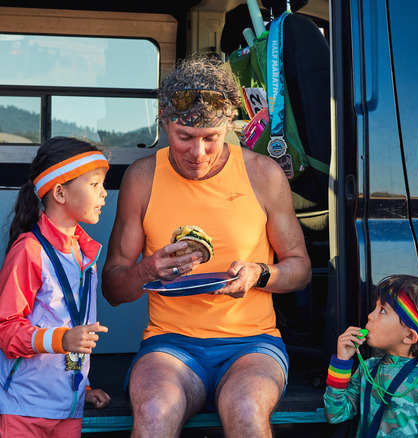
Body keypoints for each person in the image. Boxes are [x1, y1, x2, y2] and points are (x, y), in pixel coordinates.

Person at [101, 54, 312, 437]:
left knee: (247, 409)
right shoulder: (143, 177)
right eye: (184, 138)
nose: (197, 154)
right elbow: (113, 288)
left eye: (210, 139)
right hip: (170, 344)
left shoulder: (263, 174)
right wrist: (148, 270)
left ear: (229, 124)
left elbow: (299, 269)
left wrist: (259, 274)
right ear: (164, 123)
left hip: (251, 344)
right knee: (153, 410)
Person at [0, 137, 112, 438]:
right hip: (23, 407)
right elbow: (5, 330)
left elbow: (70, 325)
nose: (105, 193)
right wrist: (62, 340)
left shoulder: (84, 254)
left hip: (67, 407)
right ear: (59, 192)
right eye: (95, 184)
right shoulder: (30, 251)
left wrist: (84, 386)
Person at [324, 275, 418, 437]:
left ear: (409, 336)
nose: (370, 316)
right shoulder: (368, 369)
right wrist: (342, 361)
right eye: (376, 307)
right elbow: (334, 414)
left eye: (383, 310)